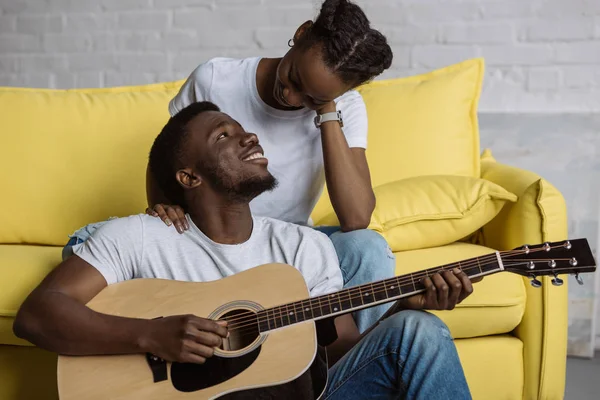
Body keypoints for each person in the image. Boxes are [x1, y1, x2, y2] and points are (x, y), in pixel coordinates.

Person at [16, 103, 474, 399]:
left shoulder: (304, 247)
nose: (249, 138)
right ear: (189, 177)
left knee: (420, 331)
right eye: (223, 137)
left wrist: (399, 306)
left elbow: (340, 354)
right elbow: (37, 315)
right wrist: (150, 336)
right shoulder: (138, 236)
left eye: (243, 131)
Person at [62, 0, 396, 333]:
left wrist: (326, 113)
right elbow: (168, 152)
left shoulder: (344, 109)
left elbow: (355, 218)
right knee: (86, 243)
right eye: (294, 78)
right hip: (211, 239)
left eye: (312, 97)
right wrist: (164, 207)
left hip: (284, 250)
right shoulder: (216, 78)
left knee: (368, 249)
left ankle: (344, 371)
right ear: (301, 33)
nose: (292, 97)